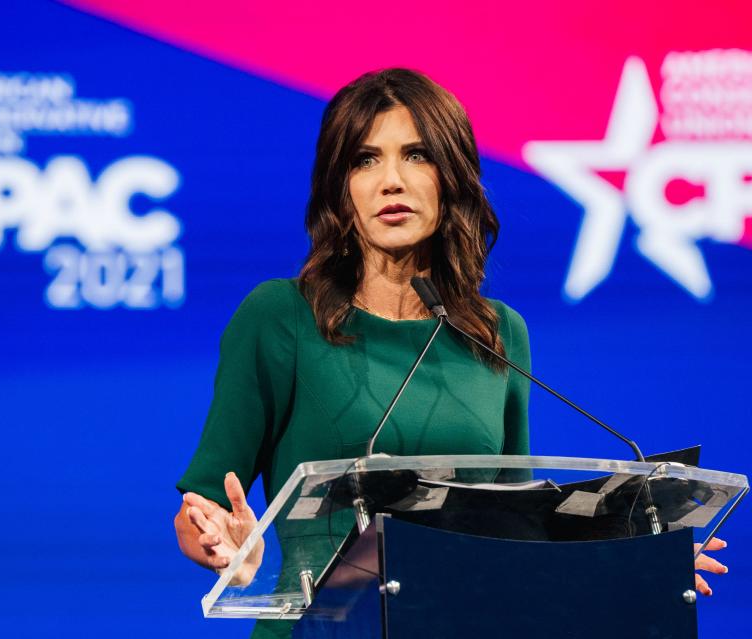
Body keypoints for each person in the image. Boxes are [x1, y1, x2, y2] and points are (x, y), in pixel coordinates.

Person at [173, 68, 727, 638]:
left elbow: (516, 529)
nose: (391, 180)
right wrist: (220, 543)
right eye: (365, 160)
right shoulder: (282, 318)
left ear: (450, 176)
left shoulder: (498, 333)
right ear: (342, 188)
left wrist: (635, 554)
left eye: (416, 155)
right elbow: (207, 504)